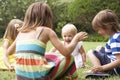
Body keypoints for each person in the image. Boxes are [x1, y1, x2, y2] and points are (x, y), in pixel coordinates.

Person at [3, 2, 87, 80]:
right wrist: (75, 39)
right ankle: (72, 77)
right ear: (48, 17)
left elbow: (8, 53)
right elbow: (66, 52)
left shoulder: (21, 32)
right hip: (39, 76)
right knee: (69, 58)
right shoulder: (47, 31)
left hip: (20, 77)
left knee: (47, 55)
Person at [87, 9, 120, 76]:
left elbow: (119, 60)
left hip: (116, 69)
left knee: (90, 52)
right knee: (99, 48)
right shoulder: (117, 35)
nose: (98, 32)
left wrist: (102, 68)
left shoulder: (114, 39)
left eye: (99, 29)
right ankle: (97, 67)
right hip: (112, 61)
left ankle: (98, 71)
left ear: (108, 26)